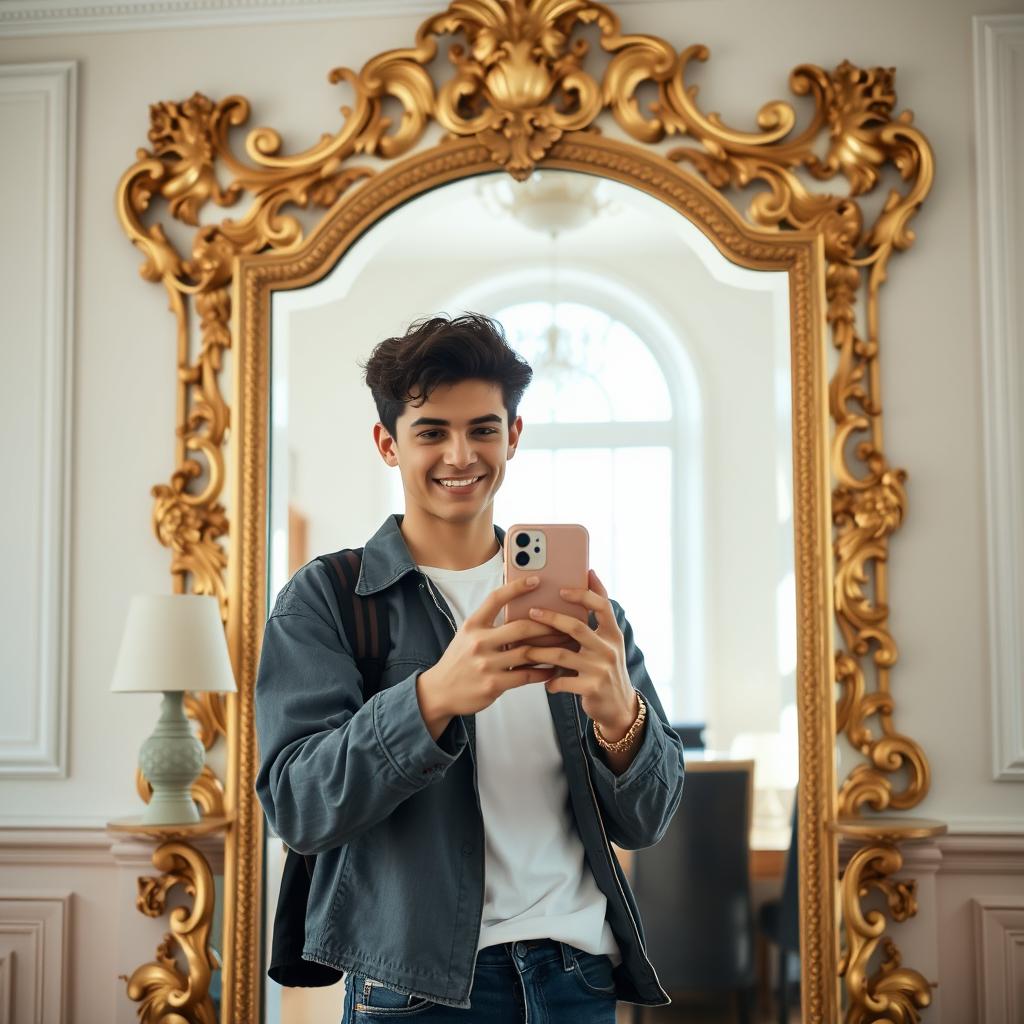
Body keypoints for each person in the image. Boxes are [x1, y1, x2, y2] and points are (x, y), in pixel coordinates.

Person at [254, 313, 684, 1023]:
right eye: (431, 432)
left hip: (579, 979)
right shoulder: (328, 599)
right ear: (388, 445)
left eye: (483, 428)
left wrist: (621, 719)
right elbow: (297, 805)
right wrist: (430, 699)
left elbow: (646, 823)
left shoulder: (579, 600)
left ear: (513, 435)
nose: (461, 454)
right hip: (418, 992)